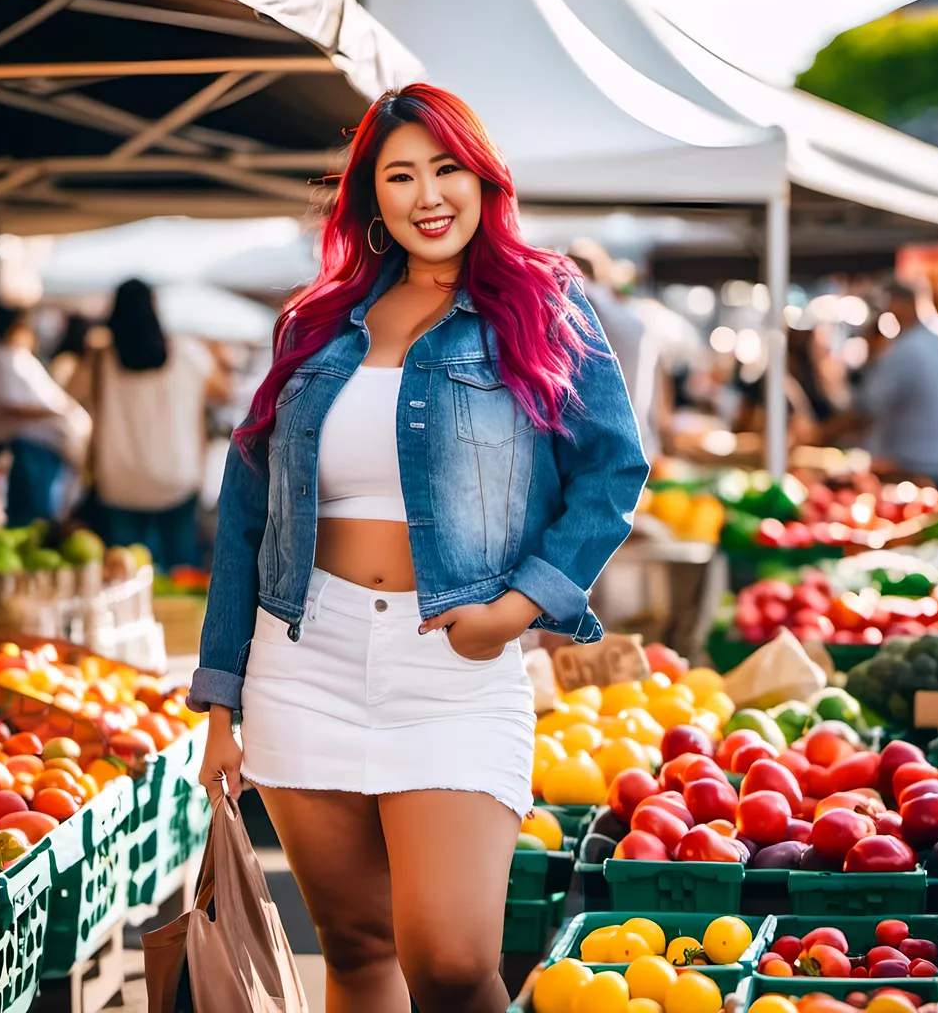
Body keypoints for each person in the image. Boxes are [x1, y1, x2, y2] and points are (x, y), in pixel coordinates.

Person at [188, 84, 648, 1013]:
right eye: (402, 174)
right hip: (303, 658)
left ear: (483, 180)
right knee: (356, 953)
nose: (428, 194)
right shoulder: (312, 325)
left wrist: (519, 609)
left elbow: (614, 470)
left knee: (450, 963)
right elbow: (248, 514)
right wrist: (220, 701)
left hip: (453, 666)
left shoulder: (541, 303)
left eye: (447, 168)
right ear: (372, 197)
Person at [76, 279, 229, 569]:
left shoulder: (101, 359)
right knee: (180, 572)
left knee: (122, 574)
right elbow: (223, 393)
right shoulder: (186, 351)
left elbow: (71, 392)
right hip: (176, 477)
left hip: (119, 481)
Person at [0, 304, 91, 525]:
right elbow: (8, 404)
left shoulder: (11, 356)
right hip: (24, 443)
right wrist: (50, 412)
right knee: (31, 513)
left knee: (38, 509)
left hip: (36, 443)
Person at [856, 279, 938, 487]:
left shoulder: (905, 349)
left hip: (919, 470)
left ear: (900, 303)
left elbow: (868, 408)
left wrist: (819, 433)